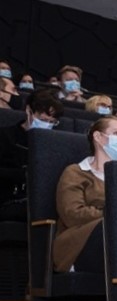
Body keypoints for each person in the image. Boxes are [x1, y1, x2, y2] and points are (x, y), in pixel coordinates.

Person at [53, 116, 117, 273]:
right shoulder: (76, 172)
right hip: (78, 241)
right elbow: (72, 214)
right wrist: (113, 215)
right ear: (98, 137)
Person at [0, 89, 63, 220]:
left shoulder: (57, 144)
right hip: (10, 198)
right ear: (29, 111)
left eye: (52, 122)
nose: (47, 125)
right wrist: (25, 174)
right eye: (43, 119)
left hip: (42, 201)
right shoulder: (5, 136)